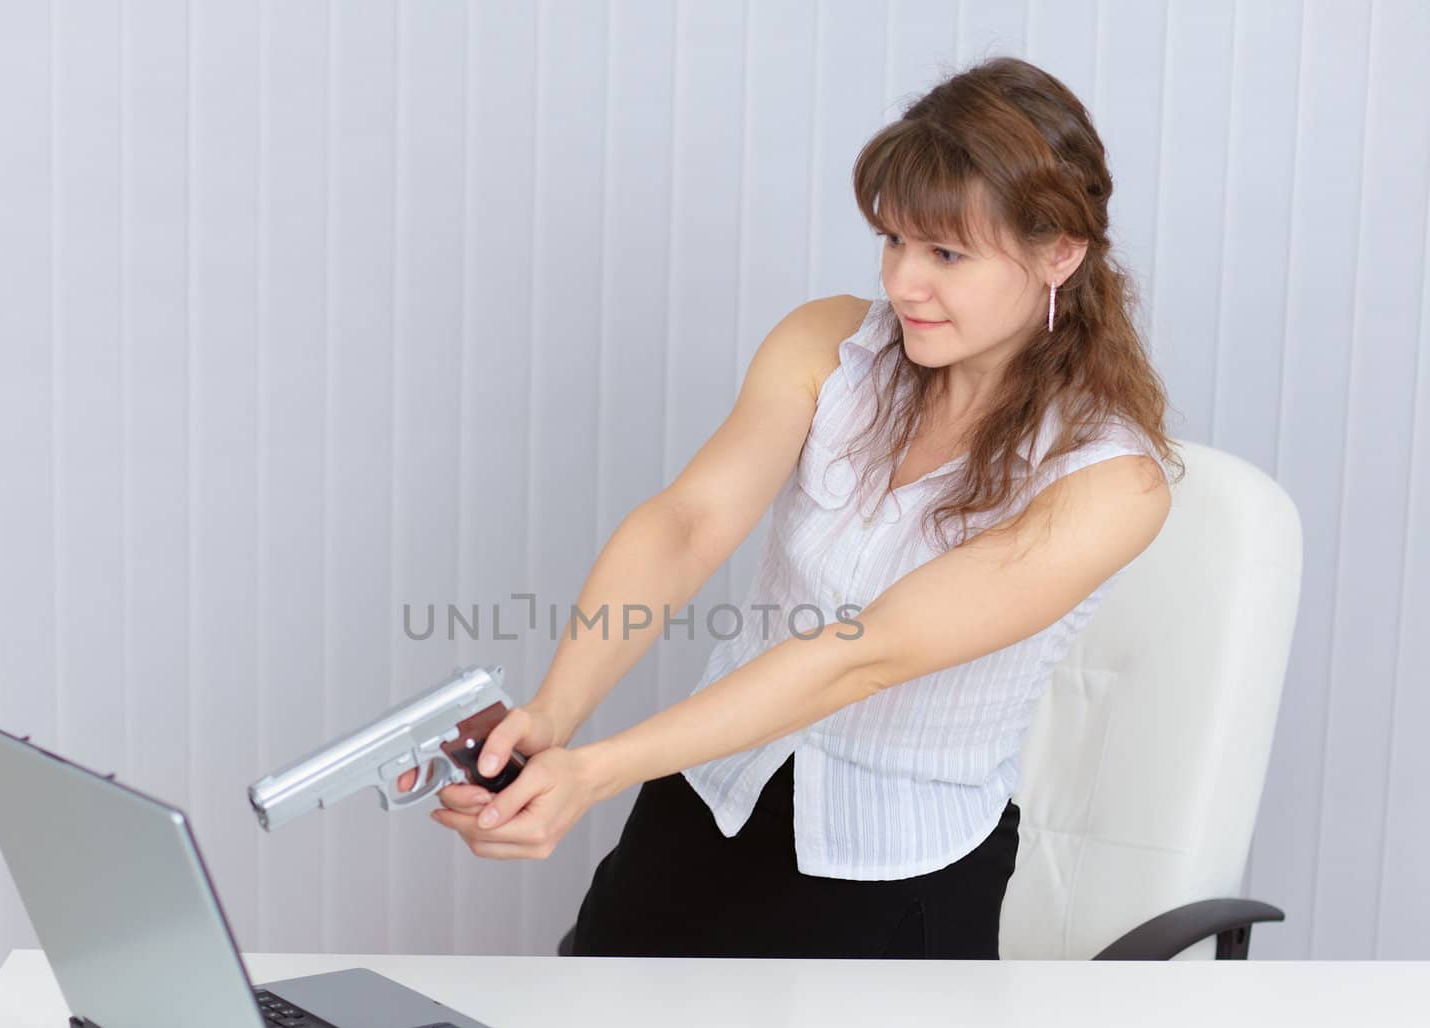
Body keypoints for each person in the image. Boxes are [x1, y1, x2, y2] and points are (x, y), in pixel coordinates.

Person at [399, 56, 1181, 960]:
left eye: (947, 254)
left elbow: (864, 655)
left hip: (898, 873)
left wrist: (596, 771)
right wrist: (555, 716)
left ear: (1060, 253)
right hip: (706, 801)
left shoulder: (1110, 481)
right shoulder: (828, 343)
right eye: (893, 241)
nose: (902, 283)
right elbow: (688, 522)